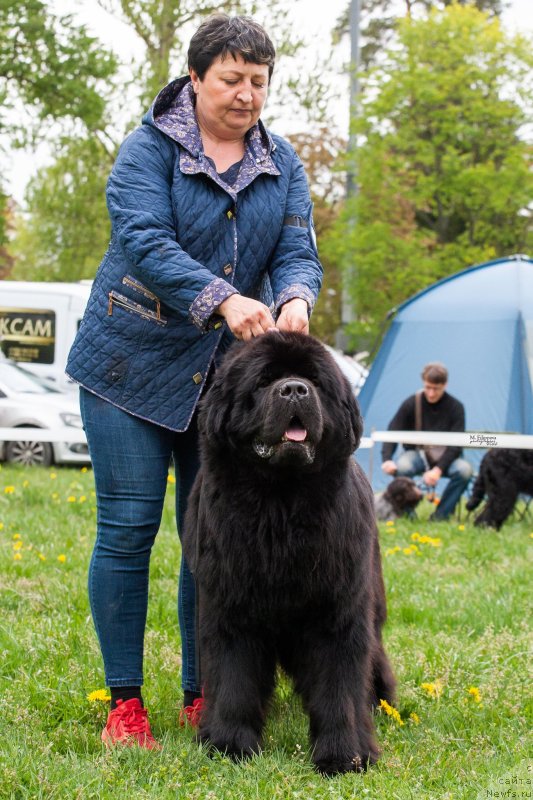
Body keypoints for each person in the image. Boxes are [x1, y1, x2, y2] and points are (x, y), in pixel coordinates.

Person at [66, 14, 322, 749]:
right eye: (232, 80)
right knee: (127, 526)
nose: (246, 95)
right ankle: (125, 705)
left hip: (224, 385)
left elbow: (296, 246)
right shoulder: (147, 150)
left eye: (259, 82)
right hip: (128, 367)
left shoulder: (283, 161)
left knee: (206, 536)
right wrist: (225, 298)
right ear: (196, 77)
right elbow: (144, 242)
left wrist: (295, 295)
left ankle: (200, 693)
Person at [381, 363, 473, 520]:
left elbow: (457, 444)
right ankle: (408, 515)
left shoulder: (456, 407)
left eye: (436, 388)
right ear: (423, 382)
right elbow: (393, 431)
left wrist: (438, 469)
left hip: (446, 457)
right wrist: (387, 459)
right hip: (417, 454)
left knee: (464, 471)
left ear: (445, 385)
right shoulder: (411, 403)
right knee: (402, 466)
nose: (431, 393)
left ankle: (441, 516)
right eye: (427, 387)